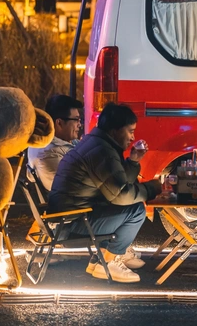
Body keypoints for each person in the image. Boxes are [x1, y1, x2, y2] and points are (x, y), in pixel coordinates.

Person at [49, 103, 162, 283]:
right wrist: (152, 188)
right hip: (72, 223)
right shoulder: (102, 150)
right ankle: (109, 262)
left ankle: (98, 260)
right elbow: (120, 195)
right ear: (115, 130)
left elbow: (115, 184)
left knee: (116, 205)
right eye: (130, 131)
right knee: (136, 211)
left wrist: (133, 162)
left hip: (70, 217)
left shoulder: (96, 143)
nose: (133, 137)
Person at [27, 94, 83, 191]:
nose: (80, 125)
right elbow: (71, 189)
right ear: (59, 123)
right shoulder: (49, 152)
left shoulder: (58, 141)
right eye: (76, 120)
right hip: (75, 204)